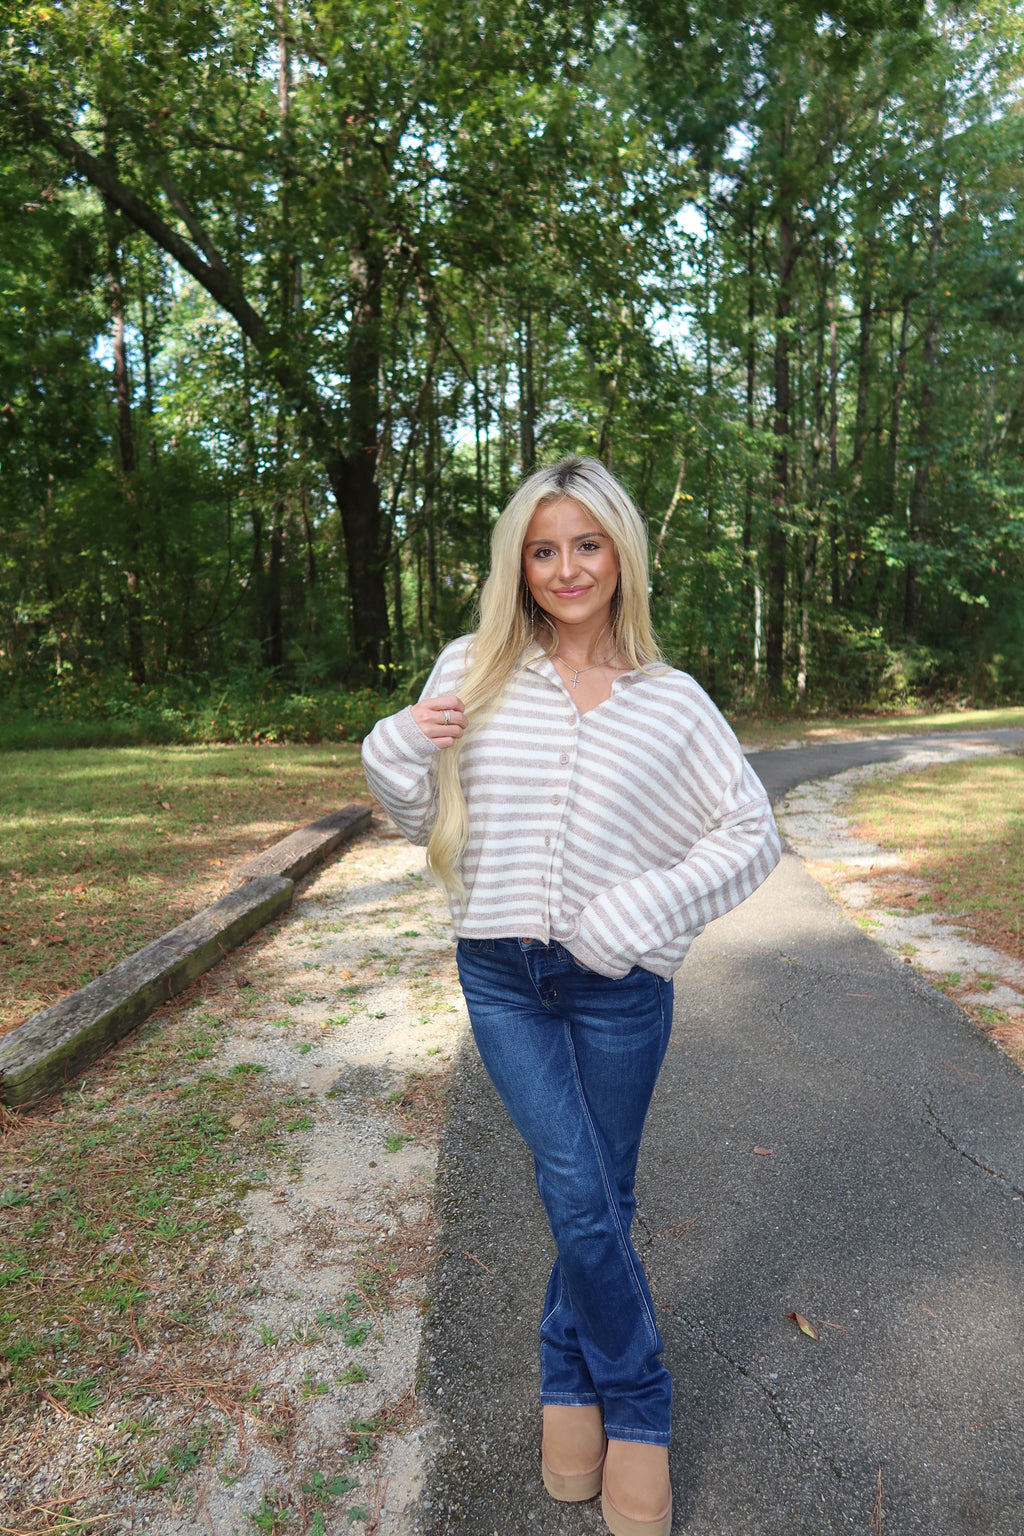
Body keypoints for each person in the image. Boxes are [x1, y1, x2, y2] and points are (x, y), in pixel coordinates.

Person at [361, 456, 780, 1536]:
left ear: (620, 554)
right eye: (542, 550)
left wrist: (636, 918)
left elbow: (750, 836)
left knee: (601, 1196)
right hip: (501, 976)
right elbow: (415, 812)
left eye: (585, 544)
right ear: (520, 565)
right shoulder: (476, 666)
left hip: (618, 988)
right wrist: (394, 749)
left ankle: (567, 1387)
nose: (564, 568)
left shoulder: (670, 702)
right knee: (576, 1189)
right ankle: (640, 1403)